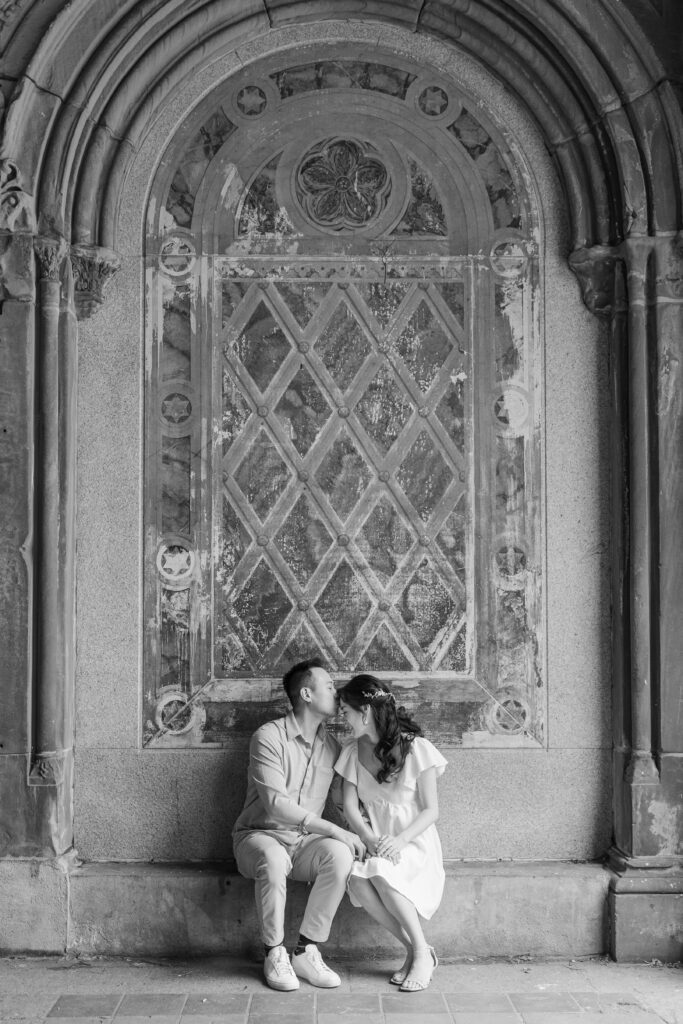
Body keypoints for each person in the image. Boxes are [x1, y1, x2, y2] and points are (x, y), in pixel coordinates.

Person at [232, 658, 365, 992]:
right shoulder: (268, 737)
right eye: (330, 686)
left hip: (303, 843)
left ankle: (306, 951)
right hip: (258, 837)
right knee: (275, 858)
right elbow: (276, 804)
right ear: (306, 693)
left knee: (339, 854)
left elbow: (340, 802)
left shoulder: (333, 747)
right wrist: (335, 829)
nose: (338, 692)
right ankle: (274, 952)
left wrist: (368, 835)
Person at [335, 673, 447, 993]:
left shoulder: (417, 749)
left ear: (365, 712)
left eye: (346, 711)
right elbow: (351, 808)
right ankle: (416, 949)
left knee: (381, 870)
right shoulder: (351, 752)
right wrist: (372, 840)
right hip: (378, 840)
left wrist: (398, 841)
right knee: (356, 877)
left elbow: (431, 810)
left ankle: (421, 953)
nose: (343, 718)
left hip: (413, 841)